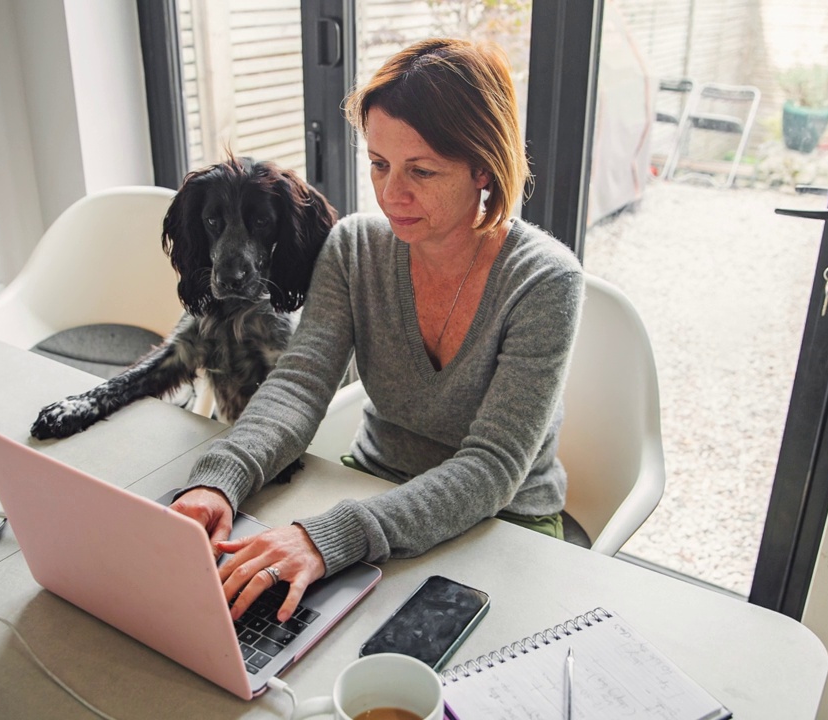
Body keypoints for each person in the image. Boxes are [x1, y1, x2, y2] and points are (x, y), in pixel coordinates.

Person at [169, 37, 584, 624]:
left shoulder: (545, 281)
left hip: (505, 521)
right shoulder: (354, 246)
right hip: (371, 488)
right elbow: (299, 386)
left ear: (485, 168)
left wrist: (323, 539)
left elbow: (492, 467)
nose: (392, 194)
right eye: (379, 163)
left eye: (422, 170)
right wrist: (219, 480)